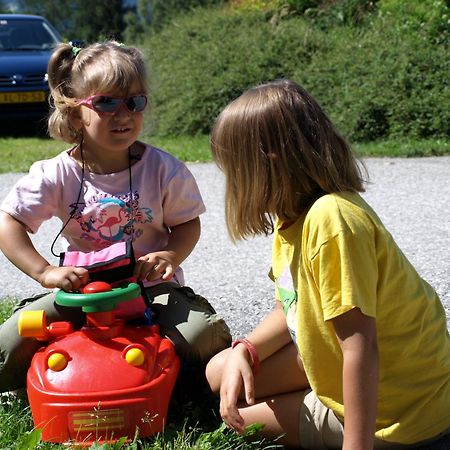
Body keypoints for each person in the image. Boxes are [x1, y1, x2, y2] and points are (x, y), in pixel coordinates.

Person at [205, 79, 450, 449]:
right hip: (343, 364)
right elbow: (289, 307)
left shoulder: (331, 219)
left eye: (233, 170)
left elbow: (360, 347)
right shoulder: (293, 214)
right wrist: (246, 349)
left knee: (243, 415)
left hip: (401, 418)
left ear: (267, 162)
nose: (231, 184)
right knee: (220, 372)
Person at [0, 41, 231, 392]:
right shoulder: (54, 174)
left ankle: (170, 381)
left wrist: (169, 254)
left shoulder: (163, 169)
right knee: (6, 346)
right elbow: (9, 222)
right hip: (79, 293)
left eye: (135, 102)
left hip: (151, 290)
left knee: (203, 337)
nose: (124, 114)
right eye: (106, 102)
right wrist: (45, 271)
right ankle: (54, 368)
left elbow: (186, 223)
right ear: (76, 112)